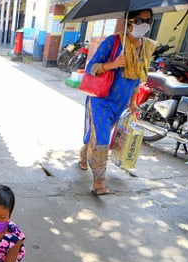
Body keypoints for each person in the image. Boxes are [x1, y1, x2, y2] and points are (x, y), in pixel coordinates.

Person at [79, 9, 156, 196]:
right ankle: (98, 181)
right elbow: (91, 68)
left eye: (148, 20)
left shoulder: (145, 47)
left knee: (96, 136)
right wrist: (112, 65)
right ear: (129, 22)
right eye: (139, 20)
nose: (143, 24)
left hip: (120, 104)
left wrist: (132, 103)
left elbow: (137, 79)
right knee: (103, 139)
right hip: (100, 101)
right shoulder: (113, 43)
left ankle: (83, 154)